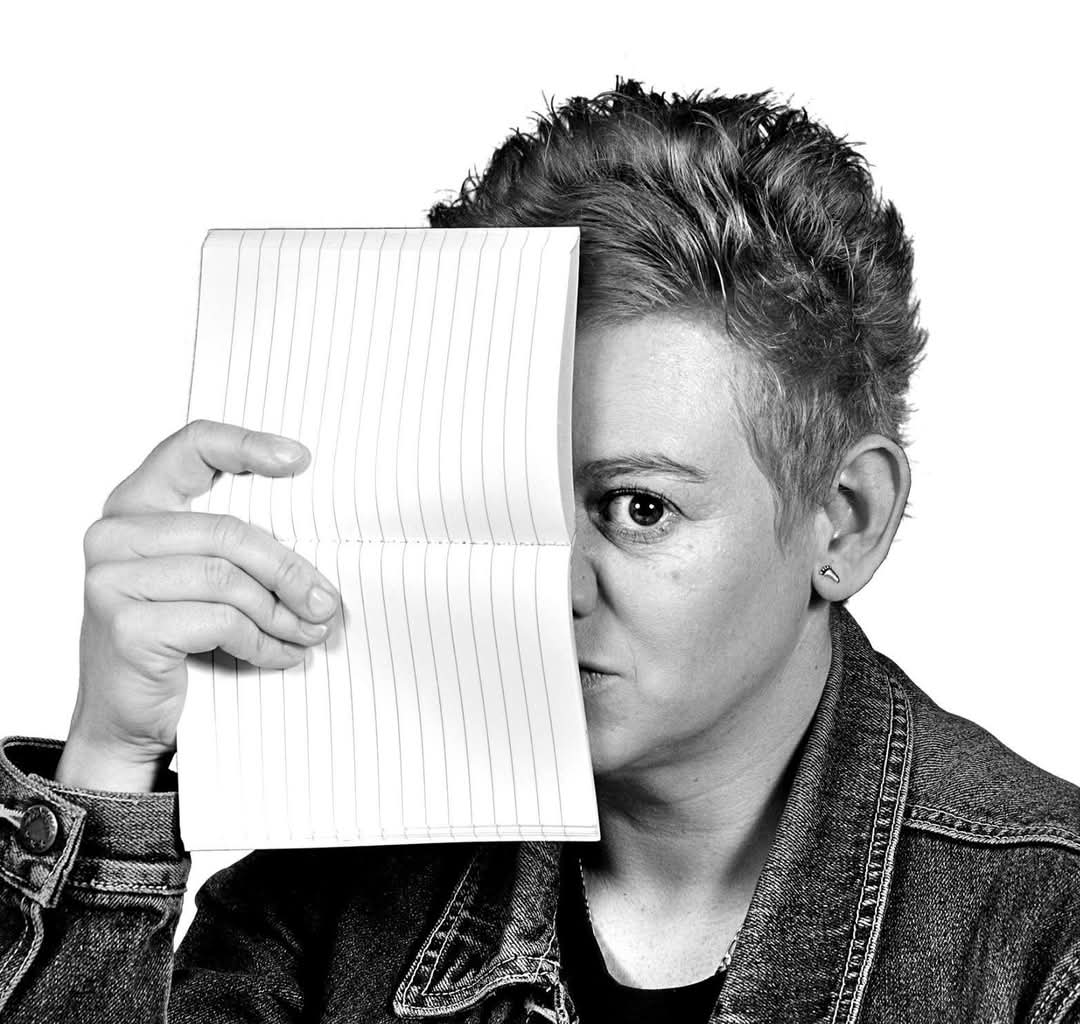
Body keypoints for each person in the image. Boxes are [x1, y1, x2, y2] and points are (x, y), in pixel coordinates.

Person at [1, 78, 1078, 1024]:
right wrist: (110, 764)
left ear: (845, 520)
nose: (545, 590)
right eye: (500, 509)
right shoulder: (319, 898)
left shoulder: (1046, 940)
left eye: (639, 508)